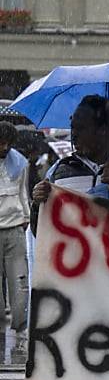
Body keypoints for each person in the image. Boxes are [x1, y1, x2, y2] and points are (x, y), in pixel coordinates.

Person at [0, 122, 30, 357]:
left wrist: (26, 217)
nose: (3, 146)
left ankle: (20, 331)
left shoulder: (19, 163)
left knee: (19, 283)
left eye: (7, 143)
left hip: (15, 229)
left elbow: (23, 194)